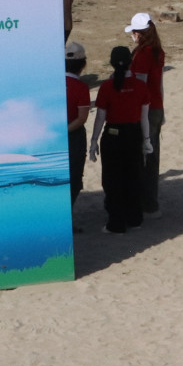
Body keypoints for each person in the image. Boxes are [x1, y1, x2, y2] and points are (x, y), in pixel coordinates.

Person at [88, 44, 152, 234]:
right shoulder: (140, 86)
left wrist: (93, 141)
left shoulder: (107, 87)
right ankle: (134, 218)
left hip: (113, 136)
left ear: (112, 63)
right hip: (134, 135)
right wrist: (147, 140)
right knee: (133, 176)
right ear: (131, 63)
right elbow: (144, 117)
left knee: (112, 180)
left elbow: (100, 117)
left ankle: (116, 222)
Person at [125, 12, 166, 215]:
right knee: (151, 155)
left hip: (145, 110)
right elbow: (158, 84)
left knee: (144, 157)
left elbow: (140, 87)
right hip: (155, 107)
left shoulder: (143, 54)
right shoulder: (157, 51)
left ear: (138, 34)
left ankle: (146, 202)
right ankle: (149, 201)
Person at [64, 39, 92, 229]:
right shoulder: (81, 88)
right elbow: (82, 118)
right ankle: (67, 217)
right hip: (72, 136)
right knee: (74, 178)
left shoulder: (52, 83)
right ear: (82, 64)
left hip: (52, 136)